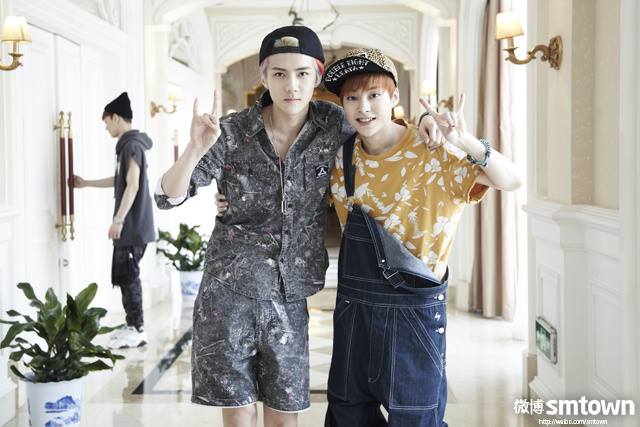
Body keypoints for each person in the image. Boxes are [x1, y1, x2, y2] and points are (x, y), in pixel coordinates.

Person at [159, 26, 439, 427]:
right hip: (228, 292)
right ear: (263, 76)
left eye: (302, 73)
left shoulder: (334, 124)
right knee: (239, 415)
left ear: (317, 76)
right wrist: (194, 148)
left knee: (284, 416)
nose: (291, 85)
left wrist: (425, 118)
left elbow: (379, 124)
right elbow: (168, 196)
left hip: (290, 297)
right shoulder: (230, 132)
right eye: (279, 73)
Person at [320, 48, 522, 426]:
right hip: (354, 313)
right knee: (348, 416)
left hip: (414, 313)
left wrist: (465, 142)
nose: (363, 107)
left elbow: (511, 180)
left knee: (416, 420)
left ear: (394, 96)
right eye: (352, 98)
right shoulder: (341, 157)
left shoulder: (434, 151)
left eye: (374, 95)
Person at [74, 91, 155, 349]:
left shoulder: (132, 145)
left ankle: (137, 329)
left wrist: (118, 219)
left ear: (116, 118)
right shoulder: (128, 145)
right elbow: (120, 180)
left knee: (129, 276)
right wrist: (86, 183)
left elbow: (132, 184)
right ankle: (132, 325)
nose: (107, 127)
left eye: (107, 122)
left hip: (133, 226)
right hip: (132, 226)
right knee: (125, 275)